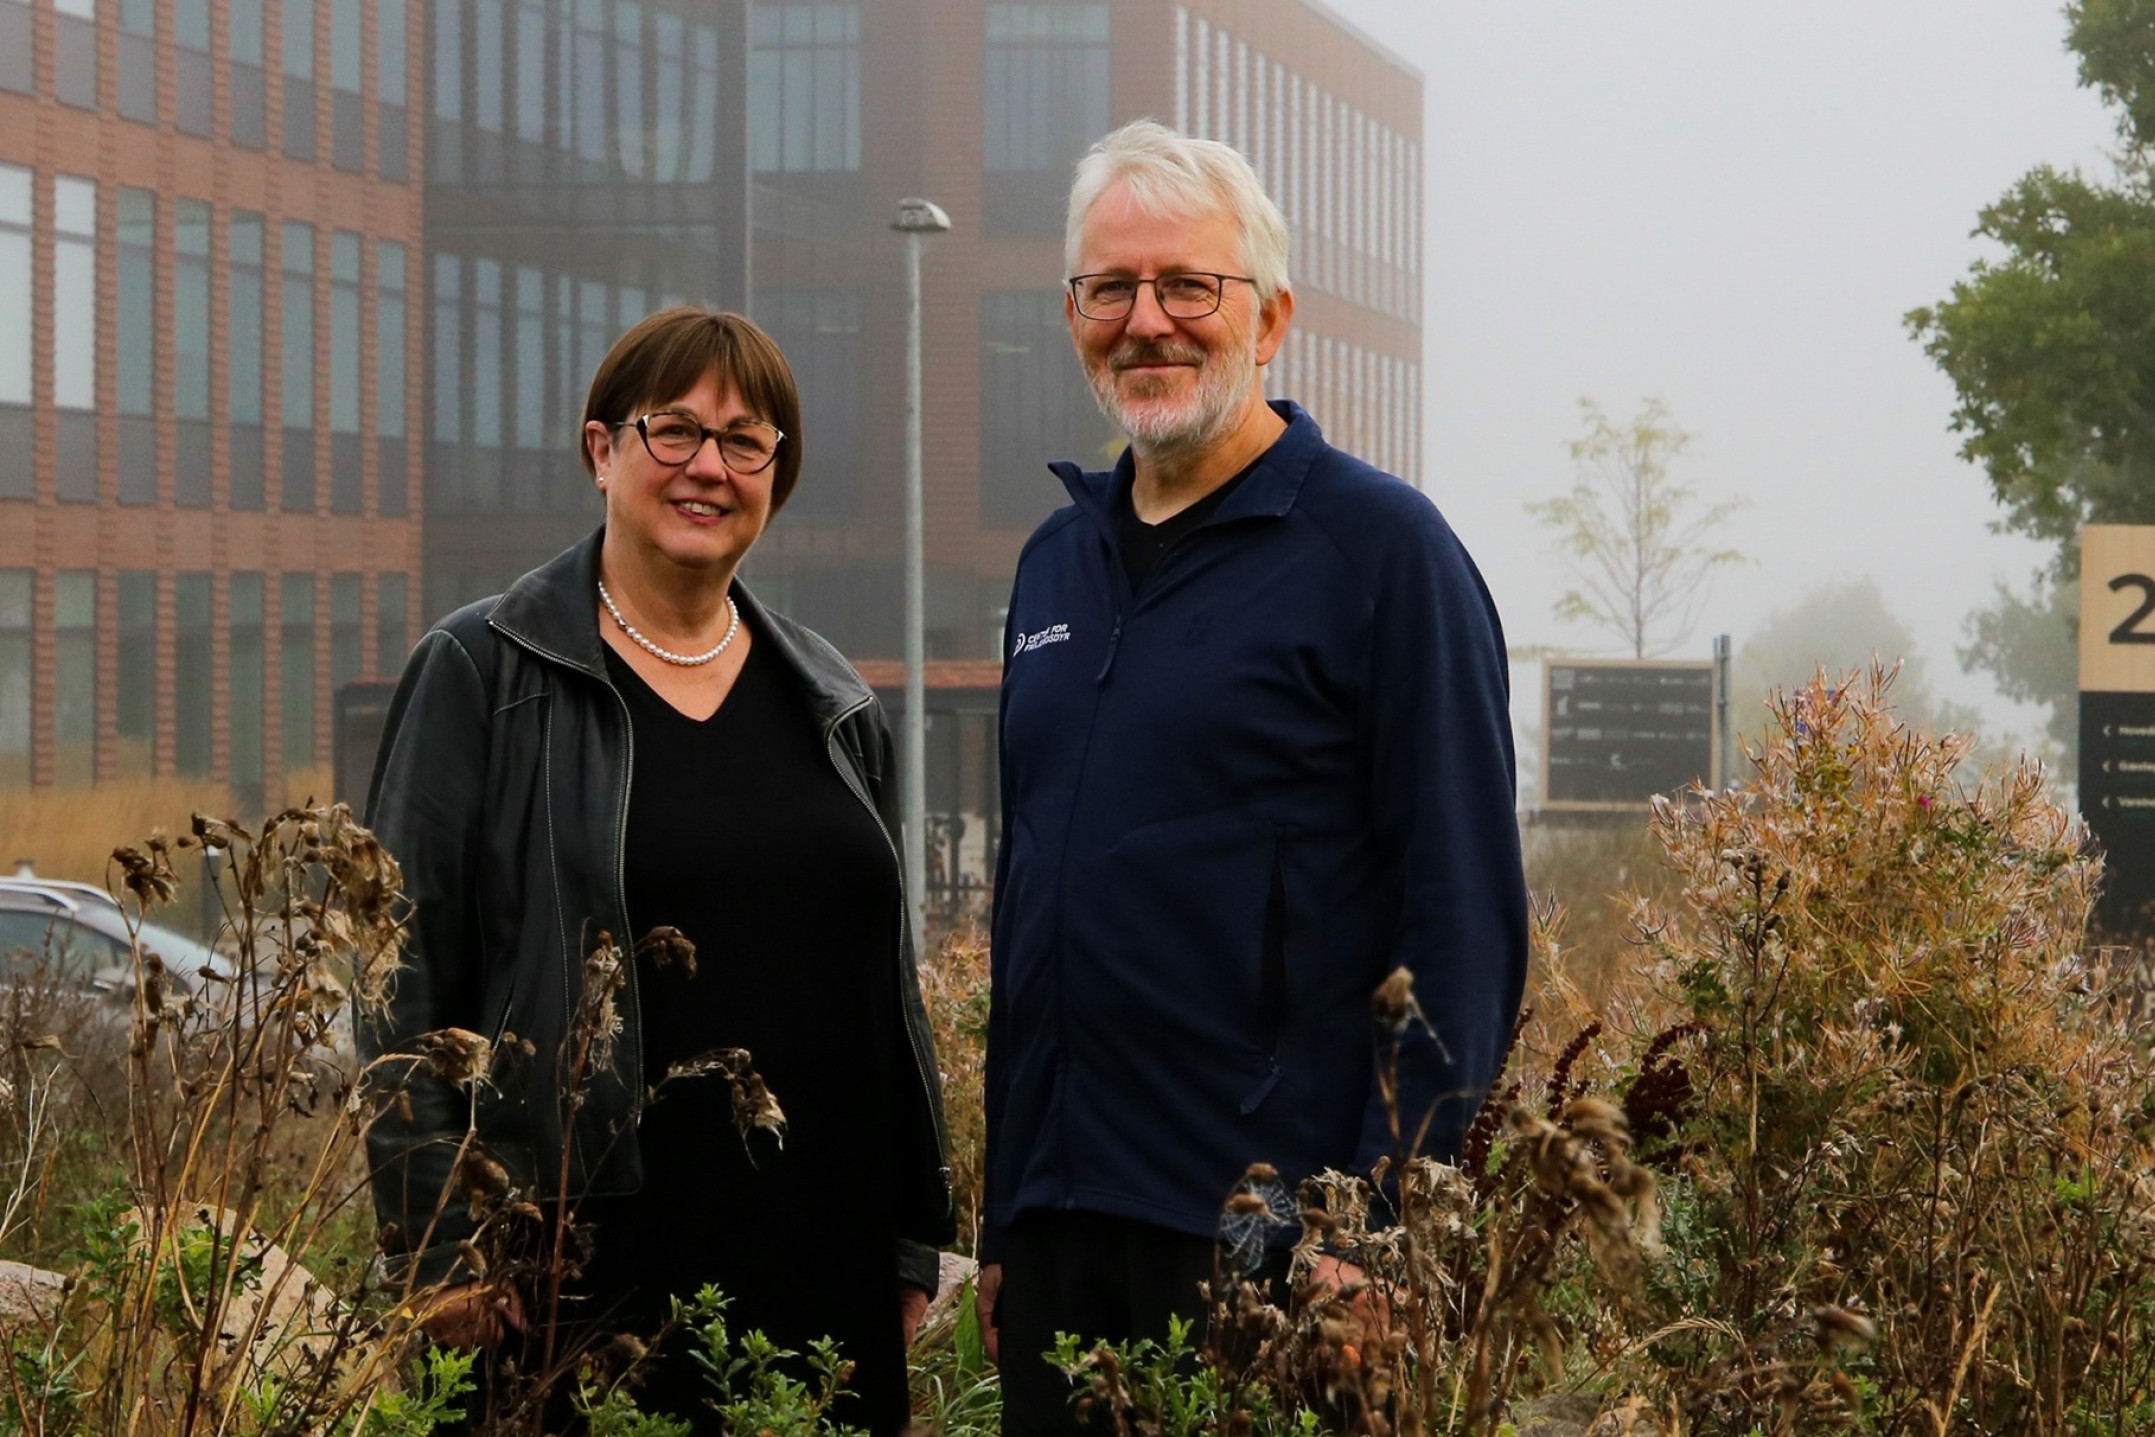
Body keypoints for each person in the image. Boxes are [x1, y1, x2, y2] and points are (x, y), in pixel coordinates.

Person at [976, 120, 1529, 1434]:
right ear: (1071, 316)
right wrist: (1006, 1216)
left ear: (1269, 316)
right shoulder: (1051, 566)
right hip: (1062, 1233)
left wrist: (1377, 1229)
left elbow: (1460, 918)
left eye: (1187, 287)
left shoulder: (1380, 554)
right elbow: (1026, 902)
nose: (1145, 321)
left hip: (1274, 1241)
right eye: (1109, 289)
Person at [362, 307, 954, 1434]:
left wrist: (908, 1227)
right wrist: (437, 1240)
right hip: (576, 1259)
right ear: (602, 449)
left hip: (820, 1244)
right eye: (674, 430)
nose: (708, 467)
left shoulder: (832, 698)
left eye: (746, 441)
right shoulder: (484, 673)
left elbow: (889, 987)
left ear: (777, 475)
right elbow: (397, 981)